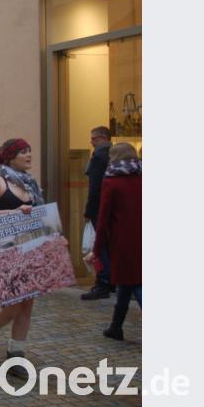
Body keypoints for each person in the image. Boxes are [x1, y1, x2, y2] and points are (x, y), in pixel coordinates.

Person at [0, 138, 45, 379]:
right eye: (23, 151)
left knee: (27, 304)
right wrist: (12, 212)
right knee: (13, 304)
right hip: (4, 251)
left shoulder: (30, 183)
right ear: (9, 156)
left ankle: (16, 356)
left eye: (29, 150)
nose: (28, 155)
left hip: (30, 249)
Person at [91, 143, 141, 340]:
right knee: (126, 284)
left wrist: (97, 248)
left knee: (135, 283)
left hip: (123, 242)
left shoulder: (112, 181)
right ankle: (115, 326)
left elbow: (103, 218)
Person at [81, 126, 114, 300]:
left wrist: (88, 211)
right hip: (115, 209)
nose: (91, 141)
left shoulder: (99, 156)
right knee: (112, 245)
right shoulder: (116, 155)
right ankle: (114, 281)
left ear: (102, 138)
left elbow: (95, 188)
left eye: (93, 138)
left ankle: (103, 282)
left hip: (100, 209)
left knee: (100, 246)